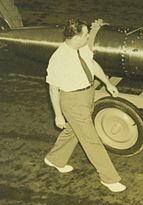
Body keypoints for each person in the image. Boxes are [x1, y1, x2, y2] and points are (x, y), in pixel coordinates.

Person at [45, 18, 126, 193]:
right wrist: (58, 115)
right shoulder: (58, 58)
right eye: (86, 34)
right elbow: (53, 89)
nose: (89, 37)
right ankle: (109, 178)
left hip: (87, 95)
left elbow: (93, 65)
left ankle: (55, 158)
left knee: (73, 131)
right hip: (72, 101)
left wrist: (107, 83)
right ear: (76, 38)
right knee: (91, 140)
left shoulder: (82, 48)